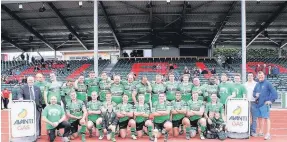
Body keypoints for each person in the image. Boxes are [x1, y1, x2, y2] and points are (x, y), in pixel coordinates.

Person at [253, 71, 277, 140]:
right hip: (258, 104)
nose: (261, 77)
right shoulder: (257, 84)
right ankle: (261, 131)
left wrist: (271, 100)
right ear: (257, 77)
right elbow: (254, 92)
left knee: (266, 118)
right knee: (259, 118)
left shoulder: (268, 83)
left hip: (264, 104)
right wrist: (255, 95)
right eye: (259, 76)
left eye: (262, 75)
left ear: (264, 76)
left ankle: (268, 134)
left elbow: (274, 93)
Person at [18, 76, 43, 140]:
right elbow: (20, 94)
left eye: (32, 80)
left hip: (37, 107)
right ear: (27, 81)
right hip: (28, 108)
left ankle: (37, 134)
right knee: (28, 121)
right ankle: (28, 133)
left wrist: (39, 105)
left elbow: (40, 97)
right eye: (29, 80)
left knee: (37, 121)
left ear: (34, 81)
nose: (30, 81)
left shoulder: (37, 88)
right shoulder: (23, 87)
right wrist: (20, 98)